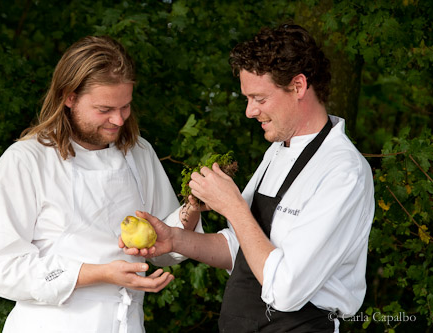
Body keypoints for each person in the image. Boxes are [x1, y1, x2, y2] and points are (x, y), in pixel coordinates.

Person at [124, 24, 375, 332]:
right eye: (247, 98)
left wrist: (233, 207)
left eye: (259, 98)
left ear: (298, 86)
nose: (249, 111)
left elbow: (286, 289)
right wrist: (175, 239)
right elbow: (242, 249)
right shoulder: (277, 151)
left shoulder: (343, 172)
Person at [0, 35, 203, 333]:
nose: (118, 120)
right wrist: (99, 274)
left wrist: (192, 208)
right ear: (69, 97)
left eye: (125, 107)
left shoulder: (138, 153)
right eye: (104, 109)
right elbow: (4, 271)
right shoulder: (26, 160)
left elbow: (166, 246)